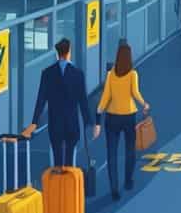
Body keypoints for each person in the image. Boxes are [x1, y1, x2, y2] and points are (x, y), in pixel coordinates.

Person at [25, 38, 97, 166]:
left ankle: (57, 177)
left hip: (55, 122)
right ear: (69, 52)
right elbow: (83, 101)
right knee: (70, 158)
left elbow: (41, 99)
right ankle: (69, 181)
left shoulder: (47, 73)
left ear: (57, 53)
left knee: (57, 158)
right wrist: (89, 122)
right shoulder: (77, 73)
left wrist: (35, 122)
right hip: (71, 123)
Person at [97, 42, 149, 200]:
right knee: (130, 150)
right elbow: (135, 93)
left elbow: (105, 97)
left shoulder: (110, 75)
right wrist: (144, 104)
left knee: (111, 154)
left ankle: (114, 188)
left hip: (112, 118)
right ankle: (128, 181)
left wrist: (98, 113)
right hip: (129, 116)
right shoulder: (133, 74)